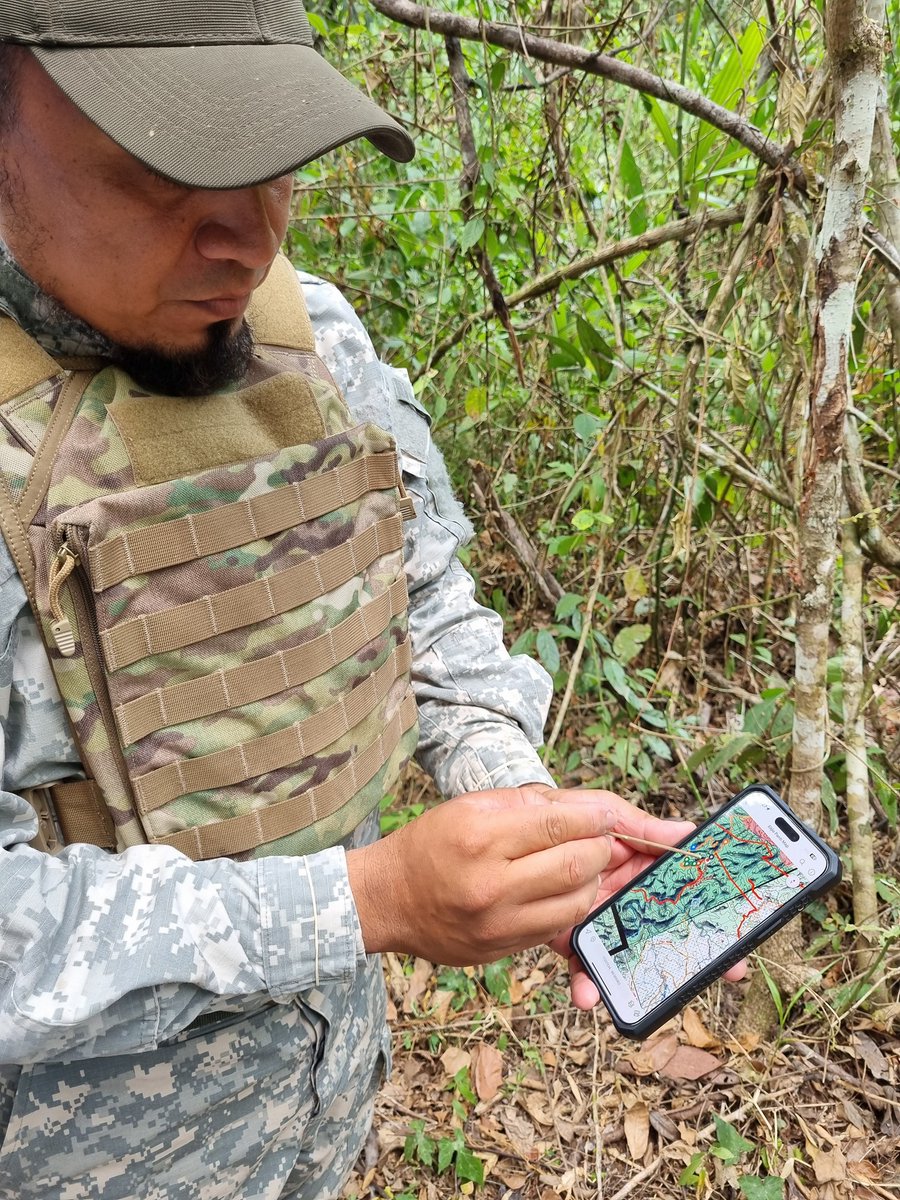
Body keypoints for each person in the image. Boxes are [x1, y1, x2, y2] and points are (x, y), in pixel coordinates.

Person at [0, 4, 744, 1197]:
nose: (245, 238)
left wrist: (518, 804)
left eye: (275, 163)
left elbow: (428, 601)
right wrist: (372, 901)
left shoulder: (314, 337)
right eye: (171, 165)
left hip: (318, 1105)